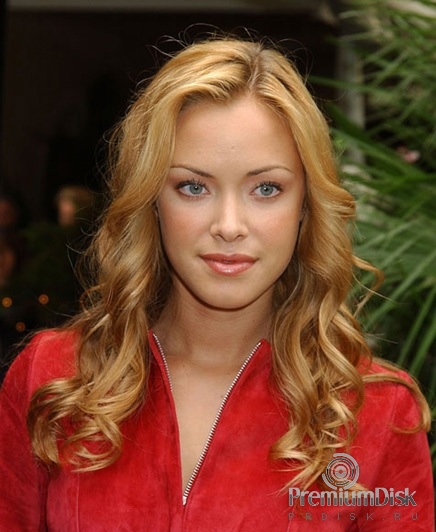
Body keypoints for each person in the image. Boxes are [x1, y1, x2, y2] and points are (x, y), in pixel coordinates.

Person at [0, 37, 433, 531]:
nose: (229, 226)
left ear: (305, 206)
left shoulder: (379, 413)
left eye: (266, 188)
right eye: (193, 187)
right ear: (152, 200)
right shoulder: (53, 378)